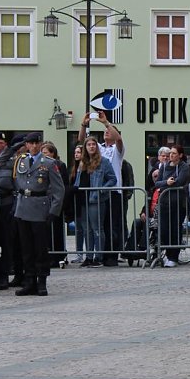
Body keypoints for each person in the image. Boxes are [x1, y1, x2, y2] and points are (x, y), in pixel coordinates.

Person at [13, 132, 65, 296]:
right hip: (23, 207)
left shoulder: (48, 163)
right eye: (31, 143)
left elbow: (59, 189)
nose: (34, 146)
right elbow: (17, 182)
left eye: (36, 143)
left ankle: (41, 281)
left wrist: (53, 211)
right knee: (26, 248)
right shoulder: (21, 161)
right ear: (26, 145)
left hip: (39, 207)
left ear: (40, 144)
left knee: (40, 248)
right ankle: (29, 281)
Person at [79, 110, 124, 267]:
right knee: (97, 226)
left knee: (111, 226)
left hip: (113, 191)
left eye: (109, 130)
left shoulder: (117, 149)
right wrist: (84, 124)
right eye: (105, 130)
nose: (106, 132)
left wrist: (106, 122)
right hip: (97, 193)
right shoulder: (99, 148)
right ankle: (97, 255)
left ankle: (111, 256)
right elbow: (83, 140)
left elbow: (118, 138)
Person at [74, 136, 117, 267]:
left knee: (97, 229)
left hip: (95, 199)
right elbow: (78, 180)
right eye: (89, 145)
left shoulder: (104, 162)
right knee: (86, 230)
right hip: (83, 199)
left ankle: (98, 256)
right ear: (85, 147)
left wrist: (101, 190)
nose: (91, 146)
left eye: (93, 144)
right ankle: (88, 256)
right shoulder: (82, 163)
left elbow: (112, 179)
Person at [0, 133, 22, 290]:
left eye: (1, 143)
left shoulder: (12, 163)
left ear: (5, 146)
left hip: (6, 205)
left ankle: (3, 276)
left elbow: (17, 186)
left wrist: (14, 207)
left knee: (7, 243)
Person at [155, 144, 190, 267]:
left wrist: (169, 184)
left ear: (180, 155)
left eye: (174, 153)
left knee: (175, 230)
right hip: (164, 202)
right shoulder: (164, 166)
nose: (171, 155)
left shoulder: (184, 166)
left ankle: (173, 257)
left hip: (178, 203)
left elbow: (179, 181)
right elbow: (157, 183)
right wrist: (167, 182)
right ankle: (167, 253)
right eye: (170, 153)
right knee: (164, 230)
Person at [42, 141, 68, 267]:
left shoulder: (59, 165)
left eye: (46, 153)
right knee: (46, 231)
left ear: (53, 153)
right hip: (44, 202)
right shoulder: (40, 164)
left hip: (55, 202)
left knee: (57, 230)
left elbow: (62, 185)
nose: (43, 155)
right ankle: (47, 255)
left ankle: (58, 255)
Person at [67, 144, 85, 264]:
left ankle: (89, 253)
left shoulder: (85, 167)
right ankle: (79, 253)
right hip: (76, 201)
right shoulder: (74, 168)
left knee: (86, 228)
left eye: (79, 152)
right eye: (75, 152)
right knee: (78, 229)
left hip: (83, 200)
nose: (76, 154)